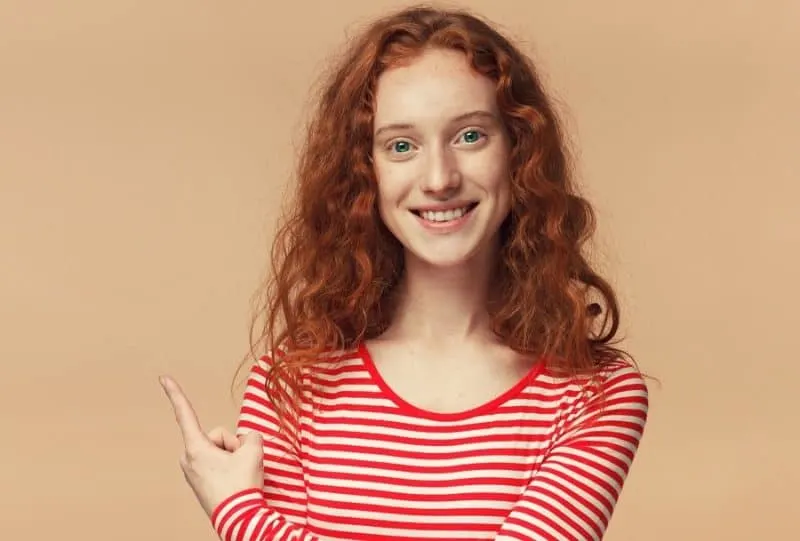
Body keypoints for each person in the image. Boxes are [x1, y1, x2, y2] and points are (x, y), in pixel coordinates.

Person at [160, 5, 650, 541]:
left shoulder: (595, 394)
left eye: (470, 136)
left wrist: (239, 515)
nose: (439, 178)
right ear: (364, 173)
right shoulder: (291, 384)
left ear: (518, 151)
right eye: (401, 146)